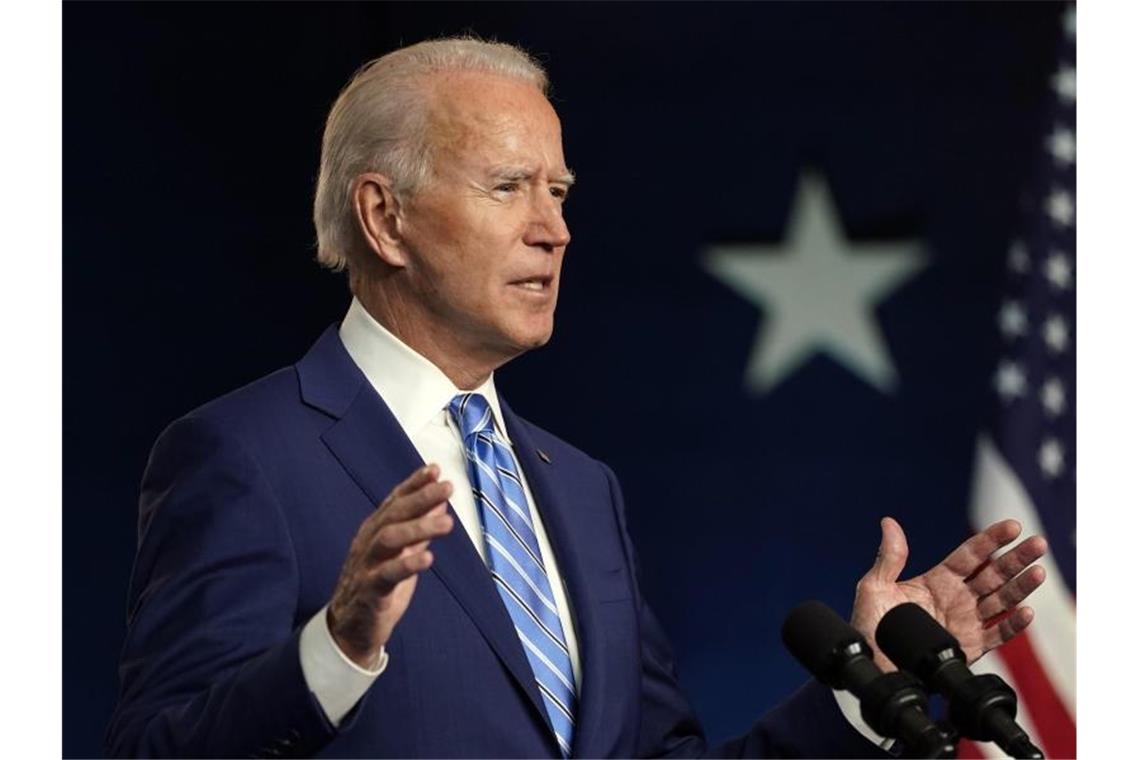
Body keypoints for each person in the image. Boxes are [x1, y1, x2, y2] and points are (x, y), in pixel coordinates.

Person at [106, 37, 1047, 758]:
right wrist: (334, 652)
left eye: (559, 192)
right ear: (384, 217)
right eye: (509, 187)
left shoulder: (580, 488)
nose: (553, 230)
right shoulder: (245, 456)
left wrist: (867, 686)